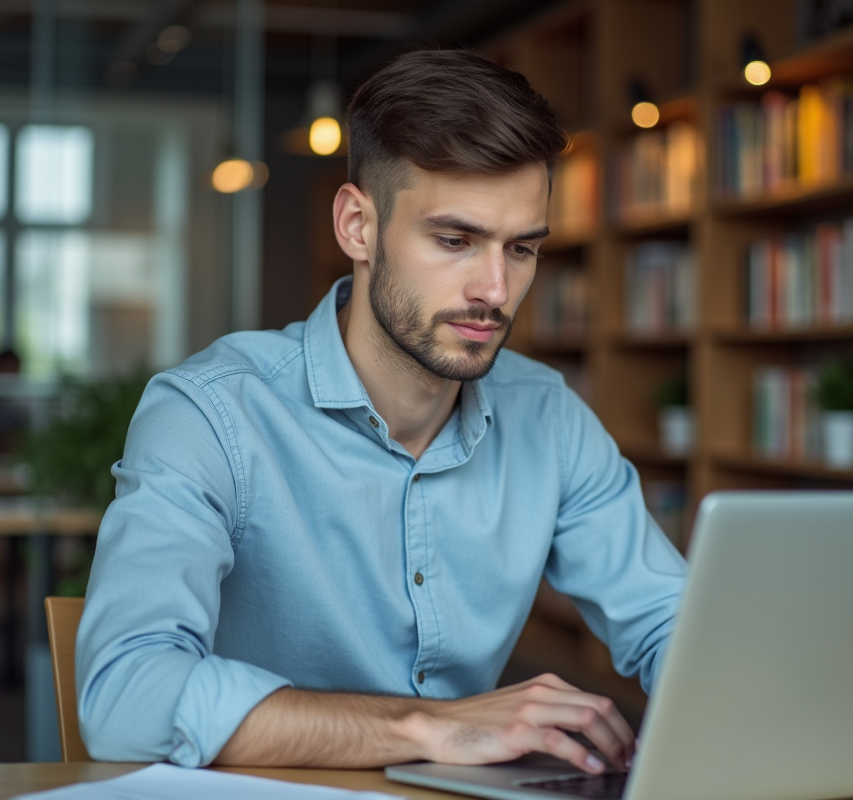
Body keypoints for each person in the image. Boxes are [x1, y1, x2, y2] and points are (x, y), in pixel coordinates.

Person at [76, 49, 686, 777]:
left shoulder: (549, 417)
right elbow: (124, 698)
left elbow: (675, 626)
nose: (496, 289)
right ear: (358, 228)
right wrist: (429, 728)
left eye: (521, 248)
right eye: (455, 240)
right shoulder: (211, 414)